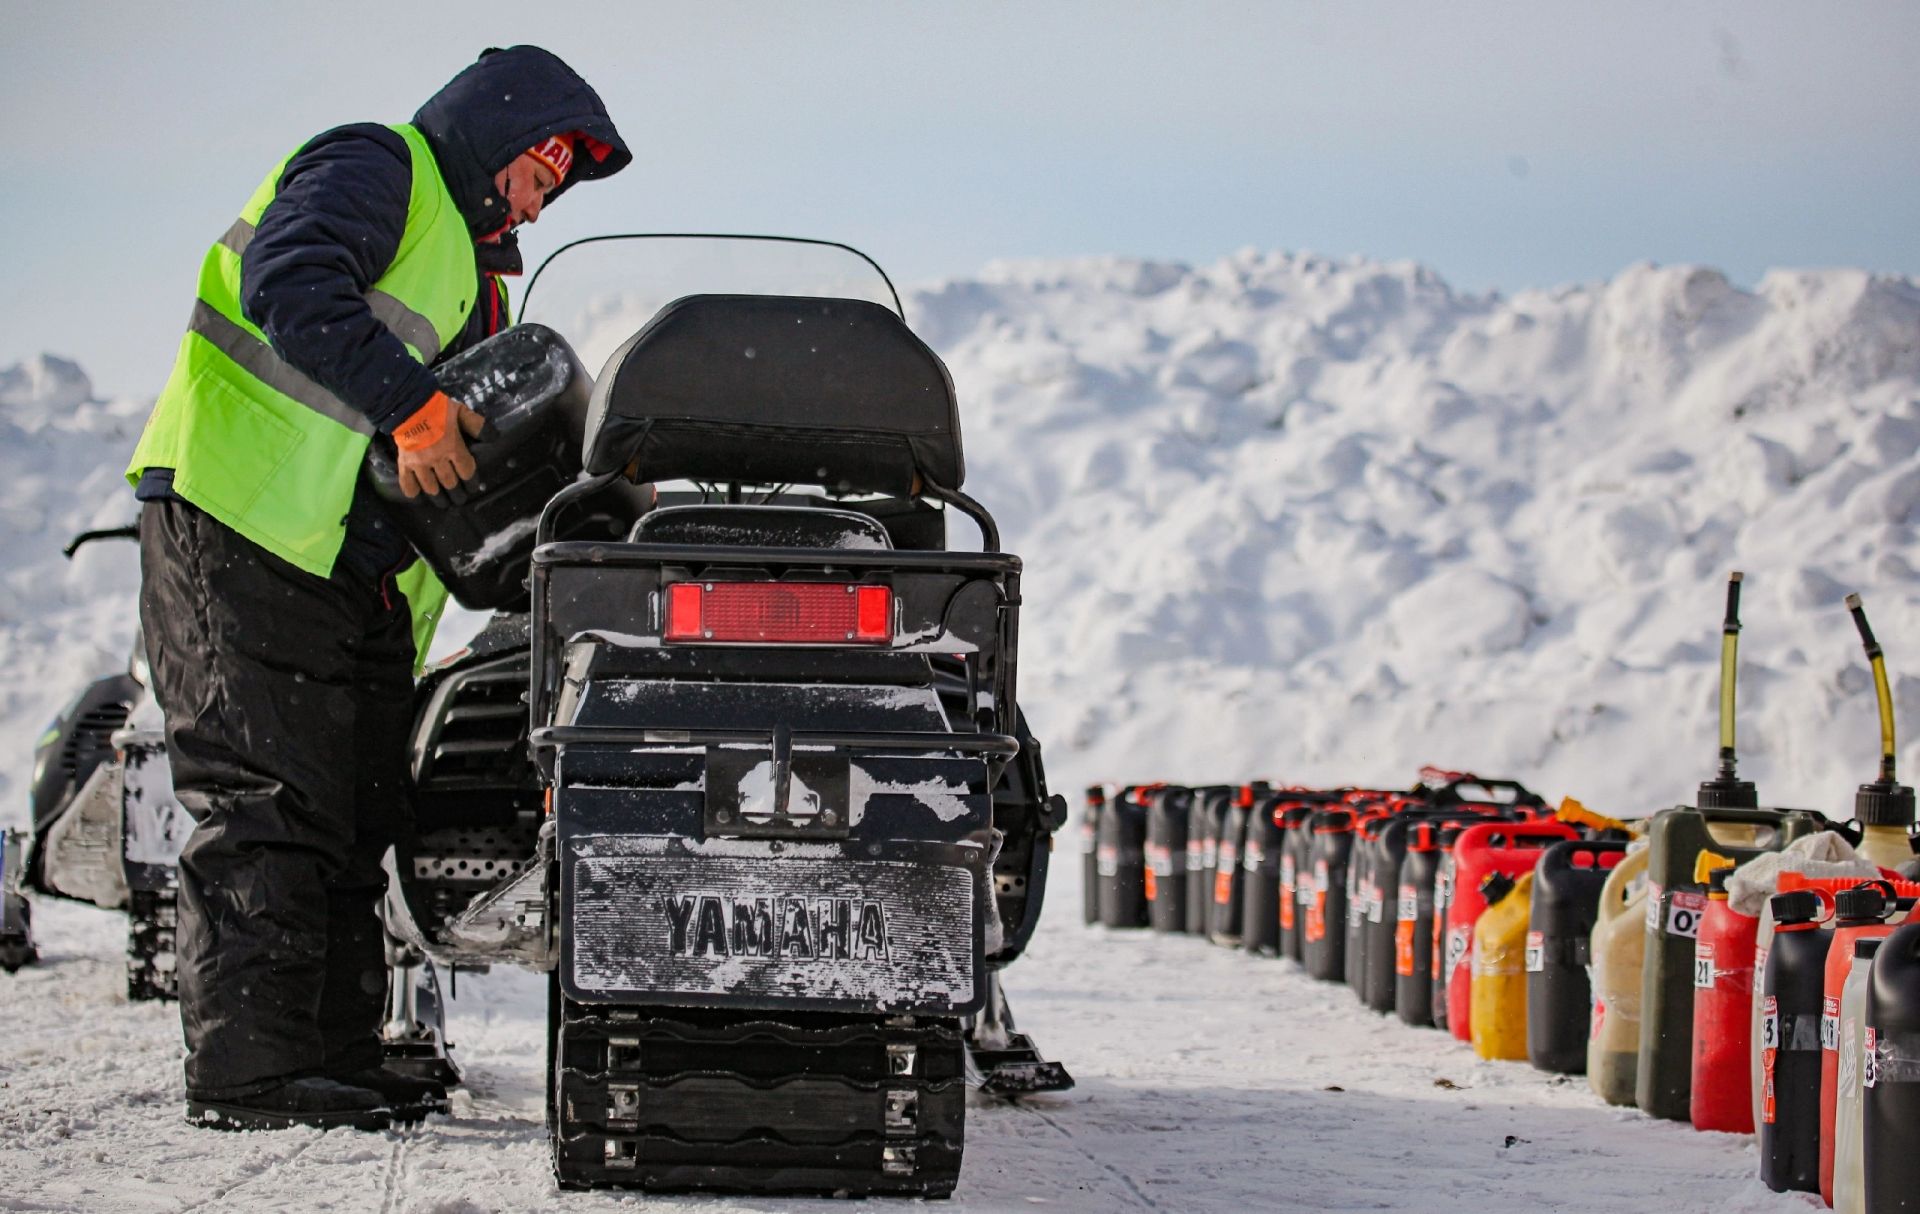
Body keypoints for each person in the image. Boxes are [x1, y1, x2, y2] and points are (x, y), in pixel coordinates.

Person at [124, 46, 629, 1132]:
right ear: (506, 141)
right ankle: (250, 1073)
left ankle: (338, 1057)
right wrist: (408, 401)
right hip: (239, 517)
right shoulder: (380, 165)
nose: (539, 210)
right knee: (268, 801)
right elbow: (291, 281)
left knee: (353, 812)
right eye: (543, 178)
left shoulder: (479, 282)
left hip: (349, 575)